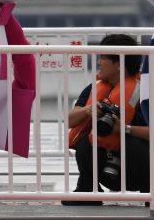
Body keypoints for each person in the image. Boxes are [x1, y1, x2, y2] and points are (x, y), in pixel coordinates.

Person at [63, 34, 149, 206]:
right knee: (85, 143)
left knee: (133, 143)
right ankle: (88, 190)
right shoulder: (95, 88)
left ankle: (150, 192)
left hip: (136, 170)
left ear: (119, 64)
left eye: (103, 57)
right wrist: (88, 110)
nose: (98, 62)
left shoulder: (145, 91)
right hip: (106, 169)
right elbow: (70, 121)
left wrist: (124, 128)